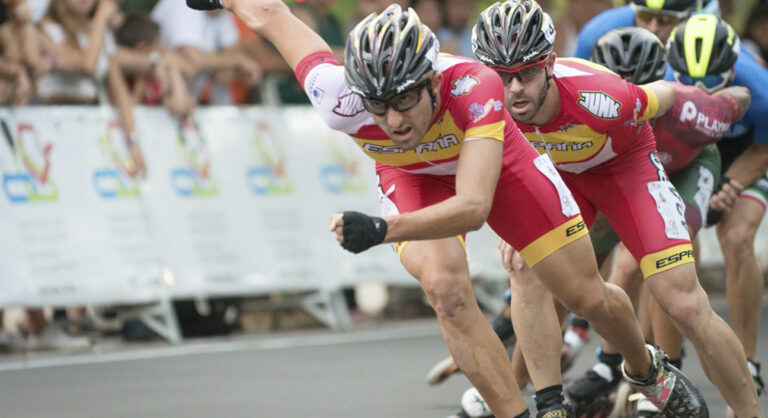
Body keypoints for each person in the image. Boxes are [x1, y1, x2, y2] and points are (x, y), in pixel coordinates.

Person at [187, 1, 709, 417]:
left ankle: (647, 370)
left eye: (405, 100)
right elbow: (272, 14)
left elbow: (475, 206)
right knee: (446, 290)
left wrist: (383, 228)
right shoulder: (335, 96)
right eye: (377, 105)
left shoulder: (474, 85)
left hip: (491, 166)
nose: (391, 119)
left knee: (584, 294)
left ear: (432, 81)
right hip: (412, 176)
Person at [471, 1, 761, 417]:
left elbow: (665, 94)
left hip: (624, 167)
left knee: (682, 302)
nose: (514, 89)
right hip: (560, 176)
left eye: (527, 73)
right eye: (502, 77)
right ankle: (538, 401)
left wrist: (712, 103)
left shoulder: (602, 96)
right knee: (525, 271)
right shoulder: (484, 107)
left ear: (550, 64)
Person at [566, 25, 752, 416]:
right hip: (628, 171)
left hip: (689, 166)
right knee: (594, 262)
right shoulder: (580, 106)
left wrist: (734, 182)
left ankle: (670, 369)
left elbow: (743, 98)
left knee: (654, 267)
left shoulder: (690, 105)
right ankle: (608, 362)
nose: (625, 104)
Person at [668, 13, 768, 408]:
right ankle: (666, 357)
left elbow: (763, 149)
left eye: (710, 85)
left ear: (730, 70)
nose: (698, 93)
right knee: (675, 244)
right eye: (689, 83)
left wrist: (732, 185)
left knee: (737, 237)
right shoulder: (659, 77)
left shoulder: (758, 88)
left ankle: (747, 361)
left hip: (745, 155)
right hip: (690, 154)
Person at [575, 0, 697, 60]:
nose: (653, 28)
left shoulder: (701, 33)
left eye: (665, 19)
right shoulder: (596, 35)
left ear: (687, 16)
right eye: (645, 16)